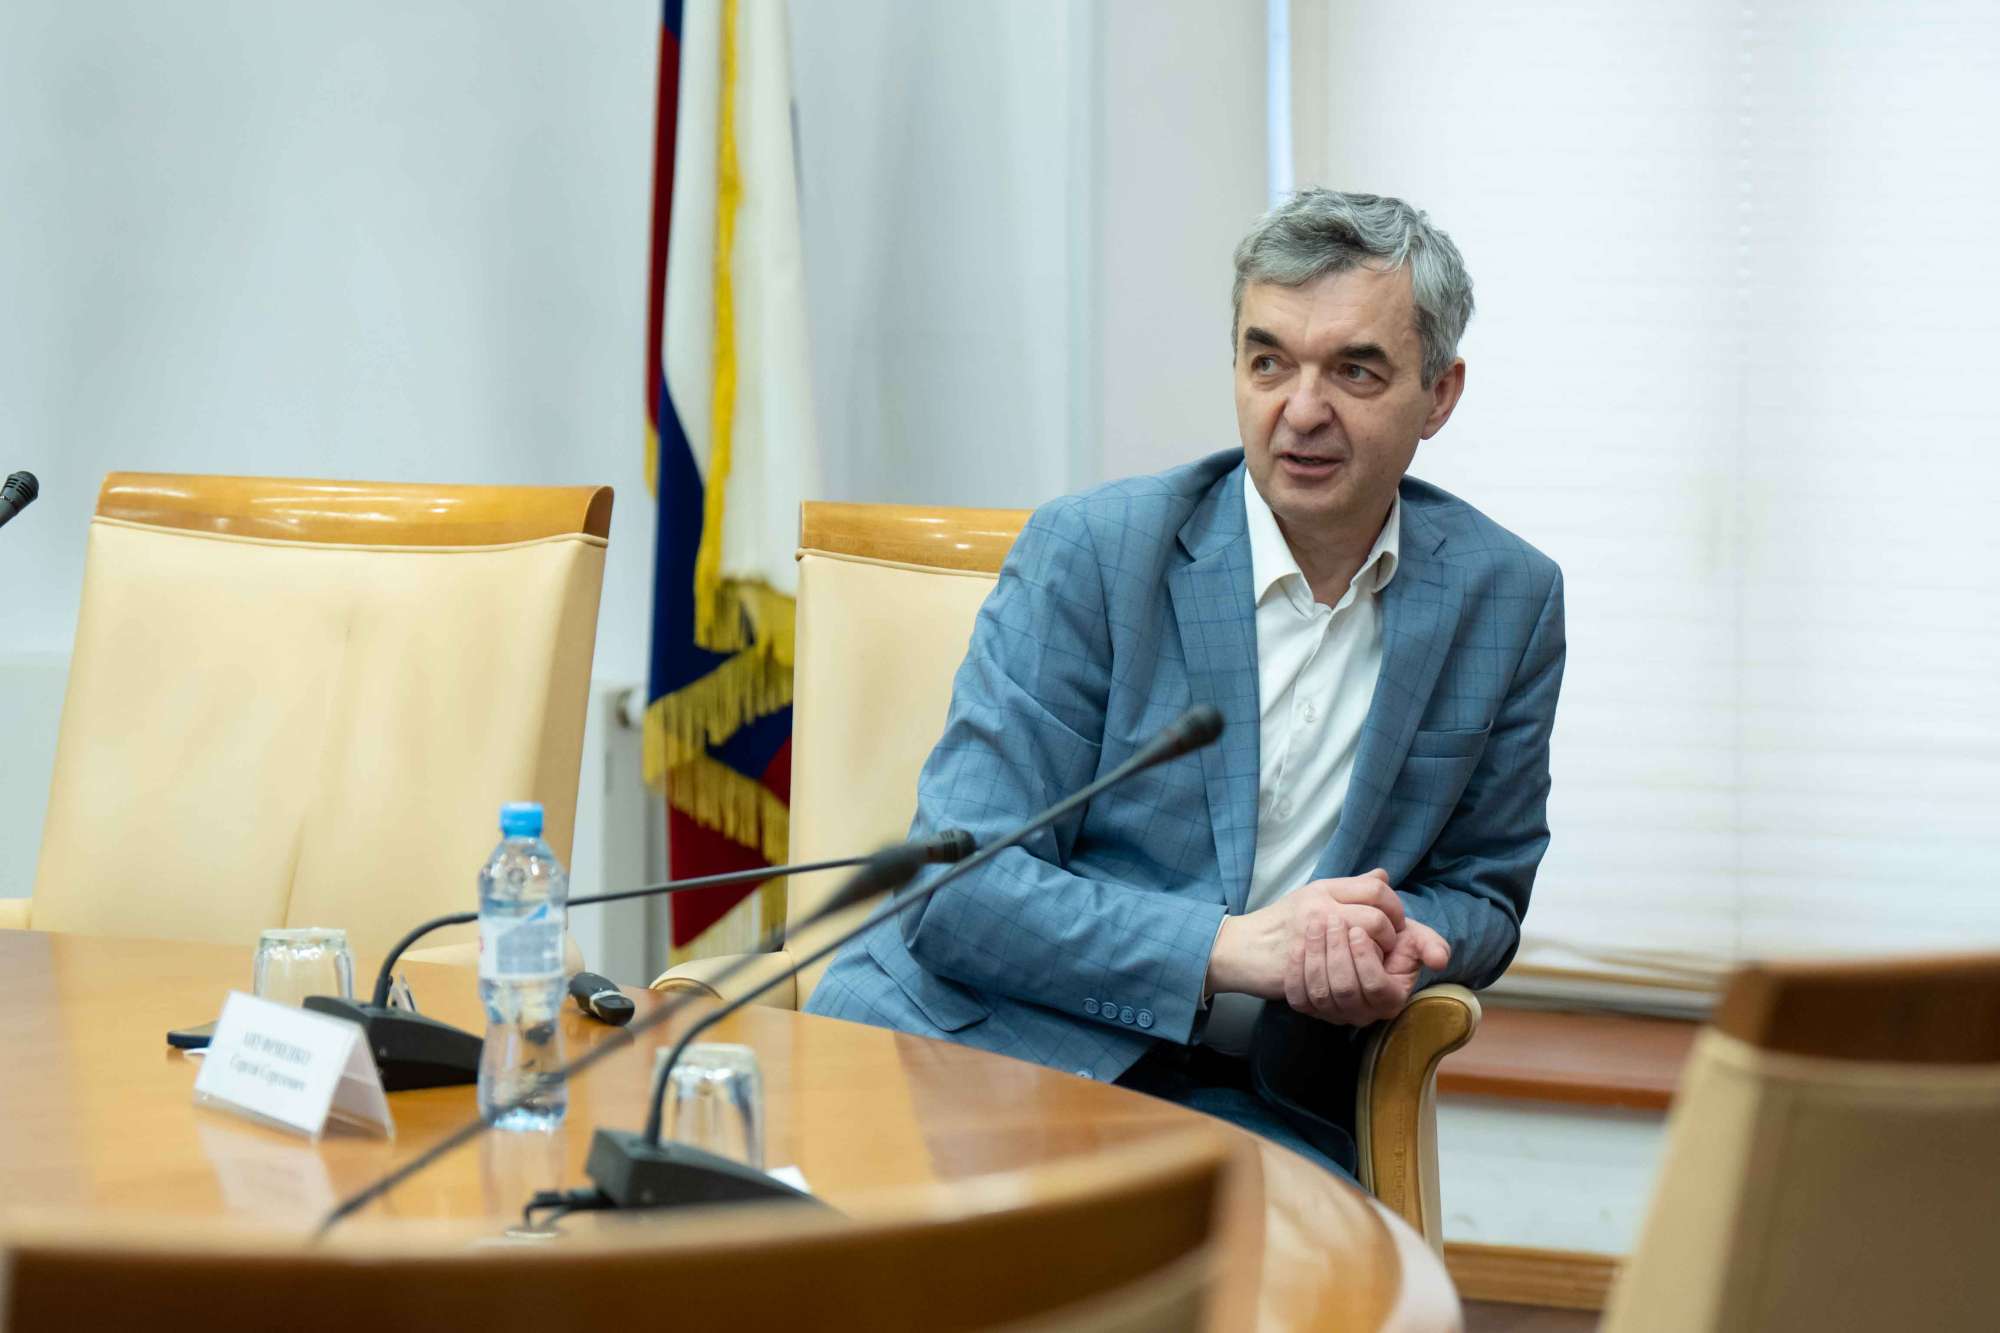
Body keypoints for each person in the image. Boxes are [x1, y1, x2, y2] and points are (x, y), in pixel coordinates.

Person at [806, 189, 1565, 1177]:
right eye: (1268, 362)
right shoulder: (1097, 553)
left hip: (1252, 1101)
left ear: (1439, 393)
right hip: (981, 1046)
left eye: (1354, 370)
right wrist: (1229, 948)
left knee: (1308, 1265)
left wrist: (1387, 941)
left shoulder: (1504, 598)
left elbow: (1485, 889)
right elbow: (957, 888)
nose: (1301, 411)